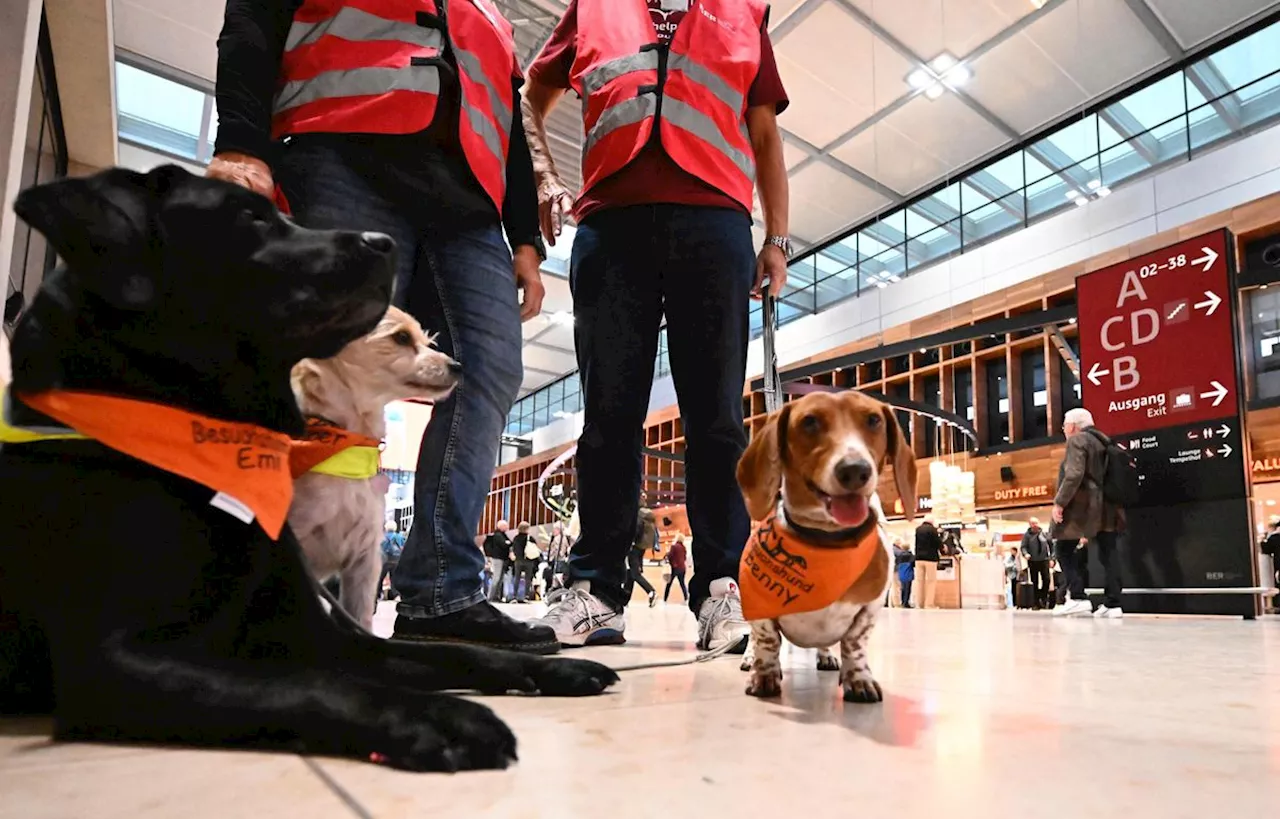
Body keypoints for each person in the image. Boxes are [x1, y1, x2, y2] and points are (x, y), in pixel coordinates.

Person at [210, 0, 559, 655]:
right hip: (343, 151)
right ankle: (256, 581)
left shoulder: (489, 14)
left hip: (470, 203)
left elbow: (508, 122)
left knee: (489, 365)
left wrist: (527, 239)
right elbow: (256, 15)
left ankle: (440, 592)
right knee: (309, 357)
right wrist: (240, 138)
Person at [523, 0, 791, 650]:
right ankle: (596, 592)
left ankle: (723, 588)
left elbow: (764, 132)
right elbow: (530, 96)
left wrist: (778, 238)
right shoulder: (592, 7)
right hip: (612, 224)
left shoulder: (742, 10)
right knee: (609, 419)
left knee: (718, 420)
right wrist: (543, 178)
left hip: (716, 224)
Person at [1052, 408, 1126, 619]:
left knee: (1063, 548)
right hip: (1108, 505)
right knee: (1108, 552)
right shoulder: (1104, 441)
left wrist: (1060, 502)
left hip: (1084, 506)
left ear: (1073, 426)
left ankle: (1077, 597)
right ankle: (1113, 604)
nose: (1064, 429)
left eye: (1065, 425)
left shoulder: (1077, 441)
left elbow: (1074, 474)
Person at [623, 508, 658, 608]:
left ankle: (651, 591)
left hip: (634, 547)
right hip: (642, 547)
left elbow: (636, 528)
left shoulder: (638, 513)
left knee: (634, 573)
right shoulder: (646, 514)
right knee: (630, 573)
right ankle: (624, 600)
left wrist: (631, 541)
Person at [1021, 517, 1053, 610]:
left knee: (1046, 580)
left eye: (1036, 523)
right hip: (1033, 561)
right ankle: (1036, 603)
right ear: (1030, 525)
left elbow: (1051, 546)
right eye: (1032, 523)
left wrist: (1052, 558)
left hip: (1044, 560)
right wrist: (1026, 554)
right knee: (1034, 582)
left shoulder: (1044, 534)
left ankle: (1043, 597)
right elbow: (1023, 547)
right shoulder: (1027, 536)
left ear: (1039, 523)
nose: (1034, 525)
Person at [914, 516, 943, 609]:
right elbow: (937, 543)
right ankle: (929, 604)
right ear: (932, 521)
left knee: (919, 582)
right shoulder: (933, 530)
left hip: (918, 558)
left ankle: (919, 604)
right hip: (930, 558)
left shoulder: (918, 529)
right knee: (931, 581)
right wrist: (943, 547)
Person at [483, 521, 515, 603]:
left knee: (500, 578)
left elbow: (508, 543)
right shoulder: (498, 535)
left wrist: (508, 543)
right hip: (498, 559)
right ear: (501, 526)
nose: (507, 527)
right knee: (496, 578)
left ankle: (496, 596)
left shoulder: (502, 535)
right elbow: (504, 544)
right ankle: (490, 597)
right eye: (506, 526)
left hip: (502, 558)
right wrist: (508, 543)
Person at [378, 520, 406, 603]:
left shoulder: (382, 536)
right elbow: (403, 547)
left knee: (380, 578)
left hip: (384, 560)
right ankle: (396, 595)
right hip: (396, 559)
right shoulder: (399, 537)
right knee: (394, 578)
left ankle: (379, 594)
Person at [665, 535, 689, 603]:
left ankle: (665, 599)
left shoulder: (674, 546)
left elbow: (670, 556)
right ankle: (686, 598)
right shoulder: (684, 547)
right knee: (682, 584)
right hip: (683, 568)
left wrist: (667, 554)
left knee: (669, 584)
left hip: (675, 568)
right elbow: (684, 558)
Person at [893, 540, 915, 609]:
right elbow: (913, 564)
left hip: (901, 574)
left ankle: (902, 602)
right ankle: (906, 602)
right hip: (908, 574)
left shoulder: (899, 556)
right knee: (908, 589)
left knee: (902, 588)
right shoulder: (911, 556)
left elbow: (897, 563)